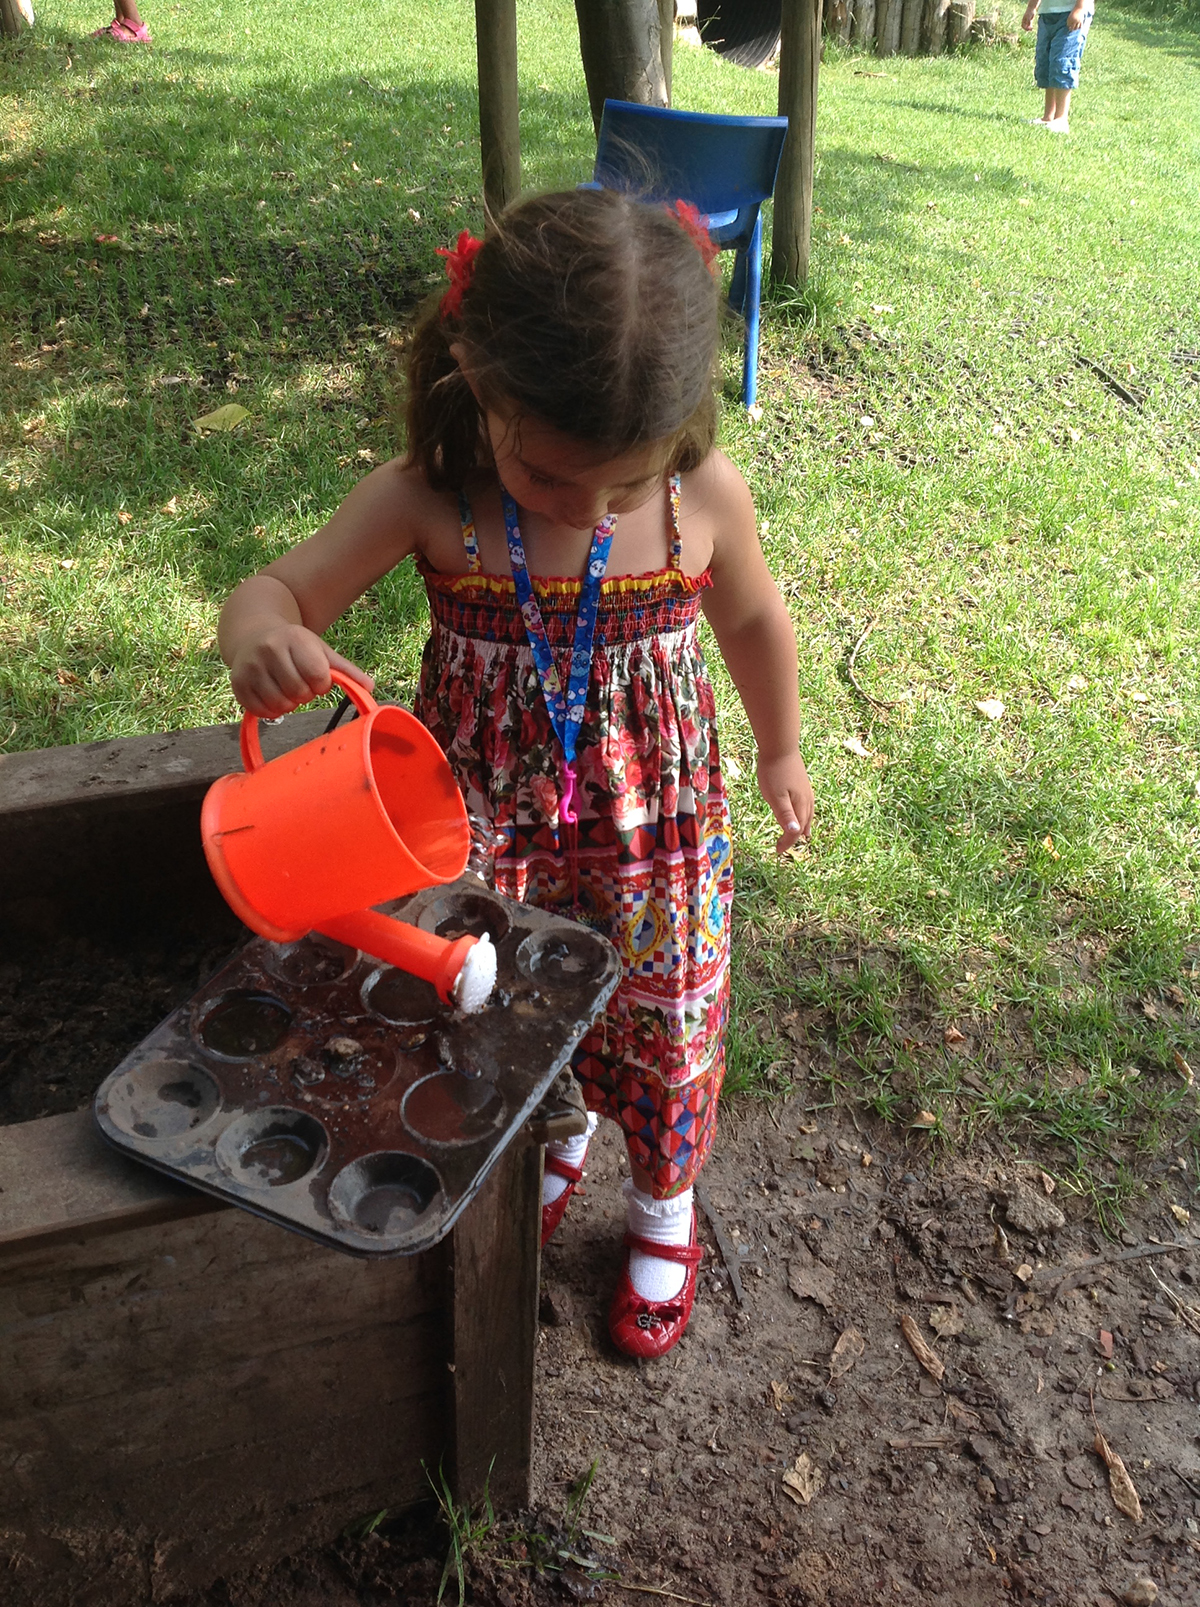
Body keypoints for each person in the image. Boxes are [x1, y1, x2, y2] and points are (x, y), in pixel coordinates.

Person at [218, 188, 813, 1360]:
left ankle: (662, 1208)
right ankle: (550, 1138)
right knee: (495, 1007)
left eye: (623, 487)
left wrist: (781, 745)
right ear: (484, 388)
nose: (589, 508)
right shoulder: (430, 504)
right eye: (551, 478)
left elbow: (753, 622)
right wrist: (262, 635)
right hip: (484, 825)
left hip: (659, 832)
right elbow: (276, 591)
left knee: (666, 1014)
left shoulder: (704, 499)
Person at [1023, 0, 1093, 132]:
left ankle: (1061, 118)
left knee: (1062, 61)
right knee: (1047, 61)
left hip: (1072, 13)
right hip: (1048, 13)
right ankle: (1048, 117)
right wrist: (1031, 7)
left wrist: (1079, 8)